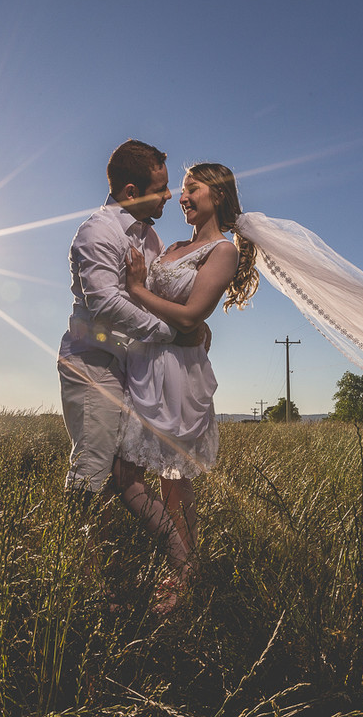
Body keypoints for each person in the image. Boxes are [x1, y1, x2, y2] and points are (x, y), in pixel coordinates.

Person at [57, 139, 205, 591]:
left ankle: (175, 565)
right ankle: (80, 579)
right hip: (93, 365)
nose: (168, 197)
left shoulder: (149, 235)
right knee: (95, 467)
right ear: (129, 190)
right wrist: (168, 333)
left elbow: (155, 293)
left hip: (133, 368)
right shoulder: (98, 232)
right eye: (160, 189)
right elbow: (104, 304)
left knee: (128, 472)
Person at [114, 162, 259, 613]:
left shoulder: (223, 252)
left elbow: (192, 316)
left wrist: (138, 289)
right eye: (181, 190)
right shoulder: (173, 246)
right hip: (143, 363)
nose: (182, 197)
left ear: (216, 194)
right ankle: (183, 561)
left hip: (177, 371)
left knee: (172, 480)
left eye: (192, 189)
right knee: (128, 476)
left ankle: (183, 573)